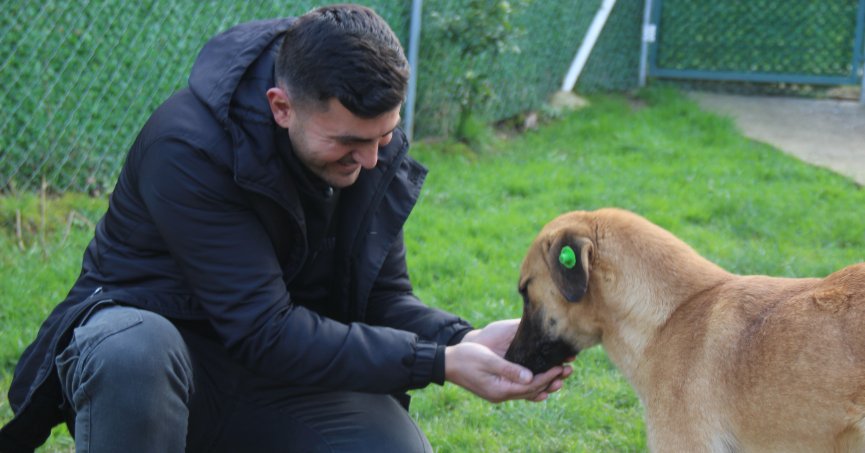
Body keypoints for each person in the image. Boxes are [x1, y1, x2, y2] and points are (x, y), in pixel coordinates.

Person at [0, 4, 572, 452]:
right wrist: (437, 363)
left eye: (384, 137)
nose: (371, 160)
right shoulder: (187, 148)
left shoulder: (367, 144)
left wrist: (459, 340)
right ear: (280, 107)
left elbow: (383, 297)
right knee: (133, 351)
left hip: (274, 373)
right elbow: (263, 329)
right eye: (349, 142)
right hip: (158, 371)